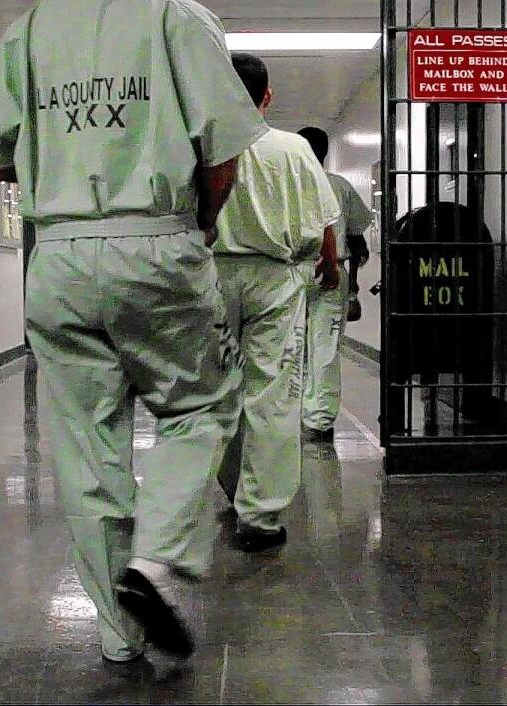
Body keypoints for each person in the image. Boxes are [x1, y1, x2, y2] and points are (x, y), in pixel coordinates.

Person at [0, 0, 267, 663]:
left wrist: (66, 170)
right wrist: (199, 229)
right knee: (199, 410)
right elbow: (223, 155)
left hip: (59, 254)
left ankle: (118, 636)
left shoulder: (26, 31)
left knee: (86, 449)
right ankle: (155, 560)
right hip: (158, 238)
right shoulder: (178, 17)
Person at [213, 54, 342, 552]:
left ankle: (233, 485)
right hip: (276, 278)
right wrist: (329, 271)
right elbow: (323, 222)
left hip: (212, 277)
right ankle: (260, 515)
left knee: (220, 388)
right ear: (267, 97)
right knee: (272, 391)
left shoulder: (198, 147)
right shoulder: (293, 149)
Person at [295, 127, 373, 442]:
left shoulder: (285, 184)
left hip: (292, 273)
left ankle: (291, 413)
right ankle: (319, 421)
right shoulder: (339, 186)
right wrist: (352, 288)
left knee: (291, 346)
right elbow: (358, 243)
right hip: (333, 272)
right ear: (326, 153)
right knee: (325, 348)